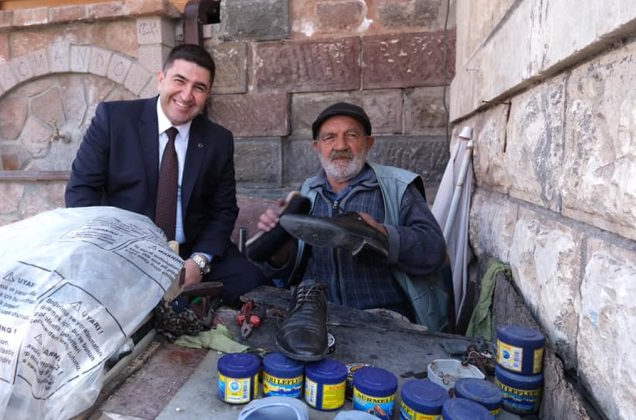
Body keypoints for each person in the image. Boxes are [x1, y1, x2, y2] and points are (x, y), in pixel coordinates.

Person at [65, 44, 265, 307]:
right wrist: (111, 252)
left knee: (253, 285)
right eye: (179, 81)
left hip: (190, 251)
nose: (187, 95)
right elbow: (81, 193)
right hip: (125, 251)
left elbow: (224, 209)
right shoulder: (114, 119)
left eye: (199, 87)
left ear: (207, 94)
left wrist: (199, 262)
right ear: (161, 79)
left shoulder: (218, 140)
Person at [256, 102, 449, 334]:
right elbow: (290, 270)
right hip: (318, 316)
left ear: (369, 143)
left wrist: (383, 235)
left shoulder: (398, 187)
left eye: (352, 135)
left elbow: (434, 250)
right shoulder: (307, 192)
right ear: (317, 147)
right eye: (329, 138)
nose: (341, 146)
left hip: (385, 319)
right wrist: (280, 246)